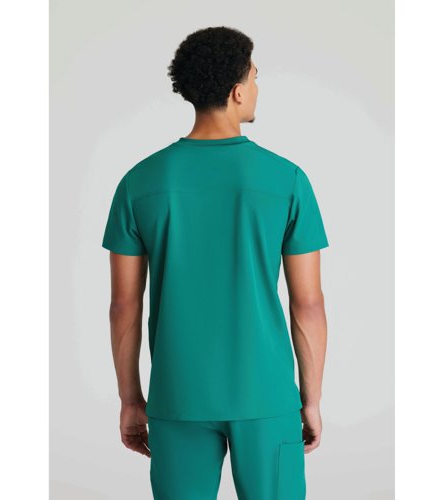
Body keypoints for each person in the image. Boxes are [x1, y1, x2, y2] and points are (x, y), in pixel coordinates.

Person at [102, 25, 329, 500]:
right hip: (266, 396)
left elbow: (124, 306)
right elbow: (308, 305)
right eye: (255, 76)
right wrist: (310, 400)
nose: (257, 87)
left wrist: (130, 399)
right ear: (237, 90)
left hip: (178, 396)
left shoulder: (138, 183)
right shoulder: (287, 180)